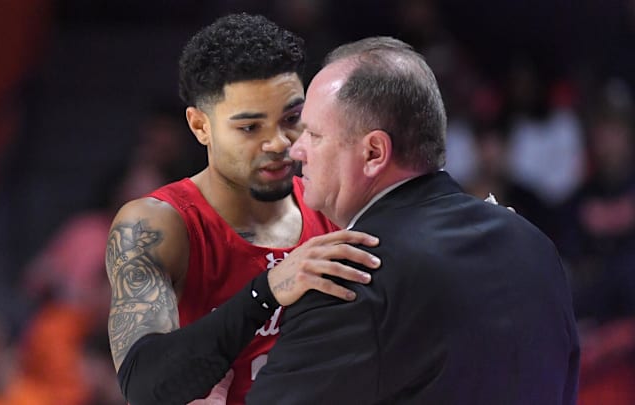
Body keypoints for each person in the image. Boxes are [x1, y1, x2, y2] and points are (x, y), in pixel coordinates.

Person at [246, 37, 581, 404]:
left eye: (313, 134)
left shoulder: (351, 277)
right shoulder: (534, 246)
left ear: (374, 152)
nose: (297, 150)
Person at [106, 13, 381, 405]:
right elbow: (144, 387)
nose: (279, 143)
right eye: (250, 128)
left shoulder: (338, 205)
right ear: (200, 126)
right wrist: (267, 291)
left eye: (291, 119)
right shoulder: (158, 224)